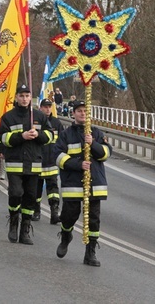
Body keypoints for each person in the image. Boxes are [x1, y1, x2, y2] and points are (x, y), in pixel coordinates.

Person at [54, 100, 112, 267]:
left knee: (94, 220)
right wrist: (78, 165)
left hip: (94, 183)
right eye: (79, 111)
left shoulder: (97, 133)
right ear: (73, 114)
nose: (82, 113)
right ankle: (66, 236)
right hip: (73, 182)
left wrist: (92, 143)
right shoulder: (66, 134)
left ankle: (90, 252)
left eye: (85, 111)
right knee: (69, 215)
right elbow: (58, 156)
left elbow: (105, 154)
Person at [0, 84, 52, 245]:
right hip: (15, 163)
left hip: (34, 164)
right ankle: (14, 223)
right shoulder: (8, 117)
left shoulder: (39, 116)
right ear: (16, 97)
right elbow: (3, 138)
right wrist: (21, 136)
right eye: (21, 96)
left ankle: (25, 230)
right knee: (15, 193)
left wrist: (39, 134)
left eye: (27, 96)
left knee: (31, 198)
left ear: (31, 97)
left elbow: (50, 136)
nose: (24, 99)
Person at [35, 98, 64, 224]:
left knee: (53, 191)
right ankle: (36, 211)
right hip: (38, 160)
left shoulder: (57, 123)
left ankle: (54, 213)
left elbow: (62, 142)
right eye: (45, 107)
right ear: (40, 108)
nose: (47, 109)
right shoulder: (35, 121)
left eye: (49, 106)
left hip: (52, 162)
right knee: (36, 189)